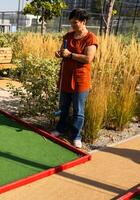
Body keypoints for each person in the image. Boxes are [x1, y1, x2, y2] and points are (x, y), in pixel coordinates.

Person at [52, 8, 98, 148]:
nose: (72, 25)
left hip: (80, 79)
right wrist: (59, 53)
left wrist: (70, 55)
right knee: (63, 106)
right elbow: (63, 52)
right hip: (66, 76)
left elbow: (88, 58)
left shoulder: (91, 38)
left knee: (78, 110)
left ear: (83, 22)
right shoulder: (68, 36)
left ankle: (76, 136)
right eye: (71, 22)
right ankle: (60, 129)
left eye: (75, 22)